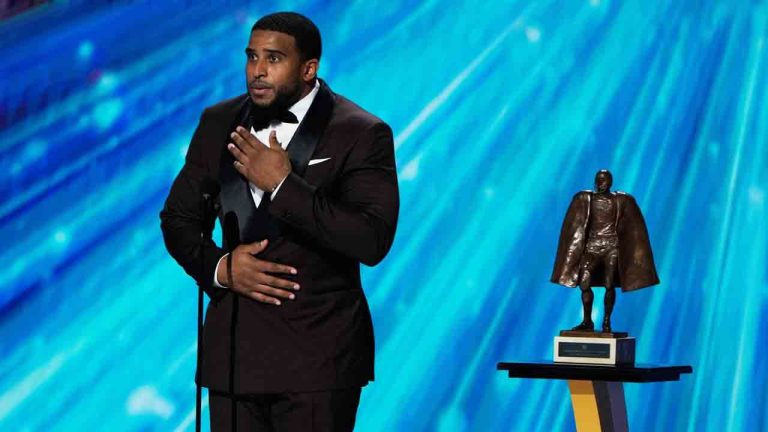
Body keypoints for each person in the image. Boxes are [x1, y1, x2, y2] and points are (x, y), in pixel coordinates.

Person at [160, 11, 399, 431]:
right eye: (252, 58)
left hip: (317, 361)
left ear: (309, 68)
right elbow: (178, 219)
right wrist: (221, 268)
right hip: (233, 356)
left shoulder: (362, 132)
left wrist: (284, 185)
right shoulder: (218, 122)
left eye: (273, 59)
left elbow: (371, 239)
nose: (257, 72)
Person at [550, 170, 658, 333]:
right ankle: (587, 321)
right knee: (584, 283)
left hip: (611, 247)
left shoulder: (622, 200)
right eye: (598, 180)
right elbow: (573, 227)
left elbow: (635, 228)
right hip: (591, 248)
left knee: (609, 284)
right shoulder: (585, 199)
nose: (601, 184)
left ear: (610, 182)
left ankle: (606, 321)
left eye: (604, 181)